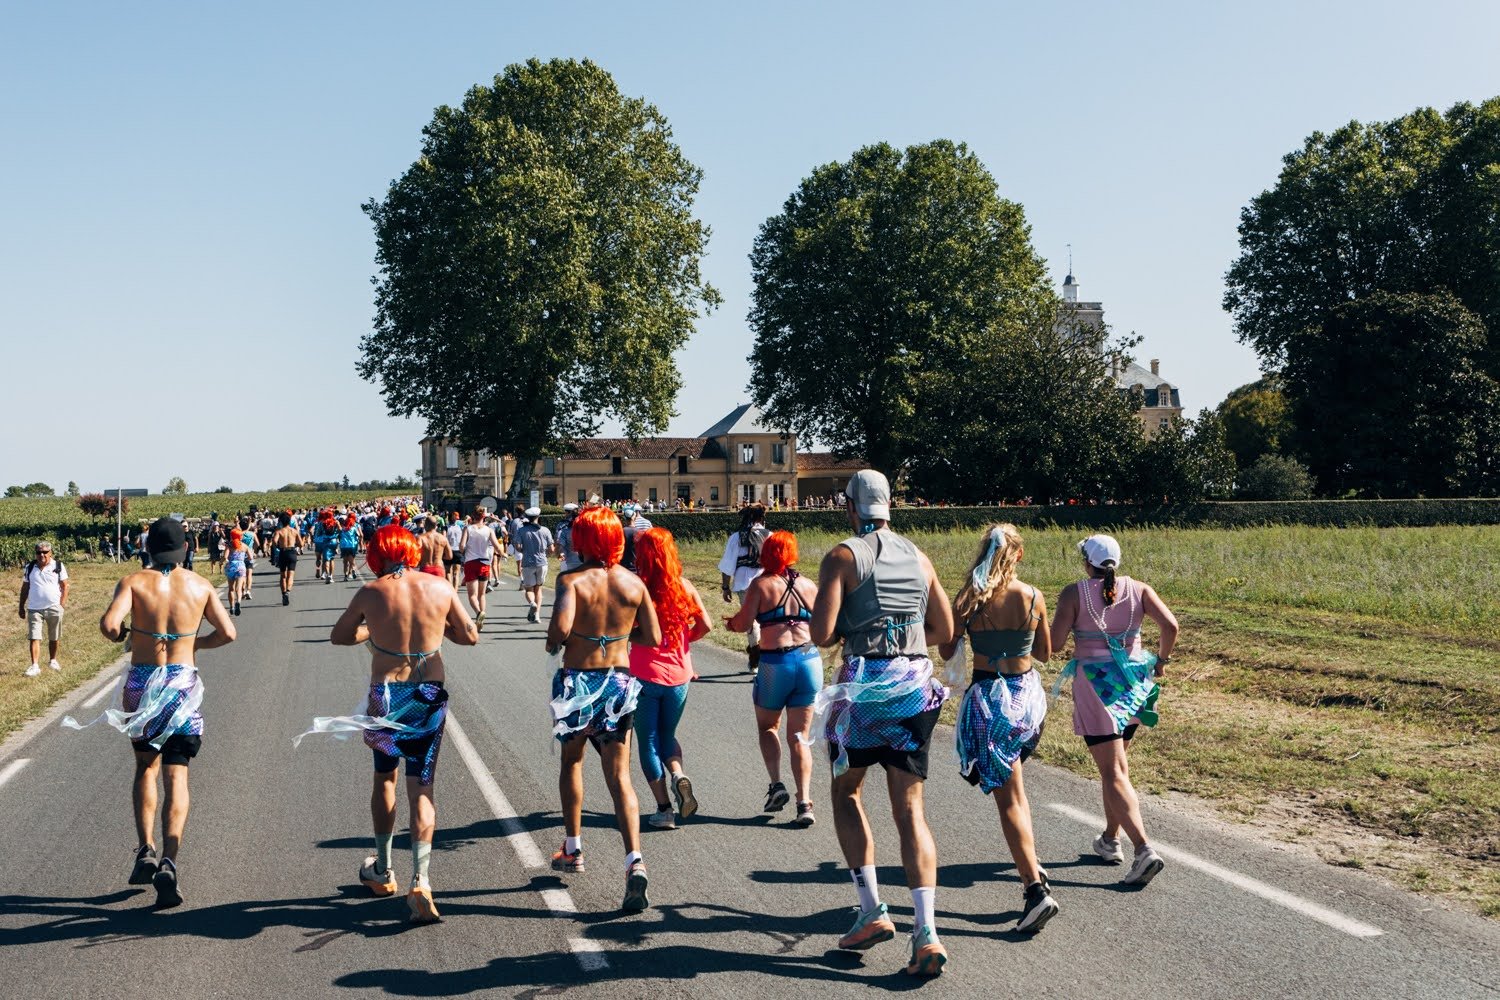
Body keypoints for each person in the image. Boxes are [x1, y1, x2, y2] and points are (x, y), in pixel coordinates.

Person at [809, 470, 954, 976]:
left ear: (851, 507)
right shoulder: (920, 556)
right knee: (910, 808)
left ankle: (871, 909)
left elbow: (824, 633)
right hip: (914, 686)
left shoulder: (842, 556)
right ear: (890, 506)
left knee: (846, 790)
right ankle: (928, 931)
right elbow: (944, 628)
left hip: (864, 687)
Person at [301, 525, 478, 923]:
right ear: (412, 550)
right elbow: (470, 636)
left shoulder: (372, 591)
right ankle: (422, 878)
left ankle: (382, 868)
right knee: (423, 787)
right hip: (428, 693)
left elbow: (339, 636)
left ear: (379, 553)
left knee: (385, 778)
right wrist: (439, 630)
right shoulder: (440, 588)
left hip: (387, 692)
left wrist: (373, 629)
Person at [63, 517, 236, 908]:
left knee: (146, 766)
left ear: (149, 548)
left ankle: (145, 848)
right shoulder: (199, 585)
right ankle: (171, 862)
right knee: (178, 774)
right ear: (185, 549)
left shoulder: (134, 581)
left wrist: (125, 634)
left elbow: (109, 625)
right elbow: (228, 633)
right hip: (182, 684)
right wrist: (193, 646)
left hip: (143, 682)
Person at [939, 524, 1056, 932]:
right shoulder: (1033, 596)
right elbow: (1045, 651)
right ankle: (1034, 869)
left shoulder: (969, 599)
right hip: (1025, 701)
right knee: (1018, 794)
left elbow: (947, 648)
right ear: (1018, 555)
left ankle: (1033, 890)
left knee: (1008, 800)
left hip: (989, 700)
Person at [544, 507, 661, 912]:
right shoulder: (634, 583)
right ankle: (635, 861)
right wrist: (620, 633)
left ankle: (573, 848)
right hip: (619, 681)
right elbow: (654, 635)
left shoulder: (572, 580)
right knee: (620, 776)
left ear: (583, 539)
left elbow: (559, 631)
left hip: (579, 681)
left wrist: (557, 641)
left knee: (572, 763)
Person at [1049, 534, 1179, 888]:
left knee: (1113, 771)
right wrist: (1162, 662)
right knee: (1117, 768)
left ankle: (1144, 850)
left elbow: (1055, 644)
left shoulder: (1073, 593)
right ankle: (1110, 839)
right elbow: (1171, 626)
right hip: (1135, 684)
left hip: (1096, 688)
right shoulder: (1140, 589)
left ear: (1085, 562)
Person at [727, 530, 820, 825]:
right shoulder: (809, 585)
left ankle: (776, 784)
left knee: (768, 727)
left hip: (774, 663)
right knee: (799, 737)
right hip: (809, 661)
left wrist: (731, 624)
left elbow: (744, 624)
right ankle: (804, 802)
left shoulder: (760, 585)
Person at [629, 528, 711, 830]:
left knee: (647, 741)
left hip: (644, 675)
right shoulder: (685, 586)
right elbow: (706, 624)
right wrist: (682, 642)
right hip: (679, 676)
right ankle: (677, 774)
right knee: (667, 735)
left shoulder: (637, 588)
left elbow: (627, 630)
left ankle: (664, 809)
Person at [718, 504, 769, 673]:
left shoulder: (736, 537)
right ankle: (767, 657)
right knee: (767, 621)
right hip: (767, 582)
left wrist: (726, 587)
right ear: (761, 518)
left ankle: (755, 659)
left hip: (744, 583)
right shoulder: (770, 535)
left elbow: (727, 566)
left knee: (751, 621)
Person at [19, 541, 69, 677]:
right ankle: (35, 665)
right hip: (34, 608)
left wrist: (61, 605)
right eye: (39, 552)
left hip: (54, 607)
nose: (42, 555)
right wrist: (21, 606)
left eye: (45, 552)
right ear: (35, 554)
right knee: (34, 637)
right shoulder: (30, 567)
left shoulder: (58, 566)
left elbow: (65, 586)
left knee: (54, 636)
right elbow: (25, 588)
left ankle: (52, 660)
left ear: (50, 553)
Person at [514, 507, 555, 624]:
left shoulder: (522, 530)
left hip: (528, 562)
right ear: (538, 517)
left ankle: (532, 603)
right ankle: (537, 615)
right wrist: (545, 553)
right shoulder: (545, 530)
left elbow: (517, 546)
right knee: (539, 588)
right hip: (542, 563)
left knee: (529, 589)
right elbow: (551, 549)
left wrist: (523, 550)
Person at [460, 506, 496, 630]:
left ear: (473, 516)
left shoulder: (468, 529)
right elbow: (496, 546)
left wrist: (464, 549)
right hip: (485, 562)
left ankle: (478, 613)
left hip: (471, 563)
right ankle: (482, 617)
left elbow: (462, 546)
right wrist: (503, 554)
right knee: (482, 594)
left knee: (472, 595)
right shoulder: (489, 530)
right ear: (483, 516)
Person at [271, 512, 301, 605]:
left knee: (283, 575)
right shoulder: (294, 531)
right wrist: (295, 544)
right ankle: (288, 592)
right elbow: (301, 544)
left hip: (283, 552)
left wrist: (278, 546)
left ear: (280, 521)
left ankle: (283, 593)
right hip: (292, 552)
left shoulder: (279, 532)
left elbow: (274, 542)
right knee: (291, 575)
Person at [618, 502, 653, 573]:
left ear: (624, 518)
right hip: (638, 567)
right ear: (634, 516)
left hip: (623, 568)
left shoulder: (621, 531)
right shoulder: (641, 531)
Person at [224, 529, 249, 616]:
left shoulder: (229, 545)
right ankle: (238, 601)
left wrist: (225, 560)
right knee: (239, 588)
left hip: (231, 566)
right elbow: (251, 557)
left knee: (231, 588)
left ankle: (232, 607)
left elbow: (225, 557)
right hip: (241, 567)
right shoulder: (244, 546)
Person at [555, 503, 581, 572]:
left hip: (567, 557)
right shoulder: (584, 524)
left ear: (569, 512)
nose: (565, 514)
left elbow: (558, 540)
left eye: (566, 512)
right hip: (584, 560)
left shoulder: (562, 525)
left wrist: (558, 553)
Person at [443, 511, 465, 588]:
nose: (456, 519)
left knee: (448, 571)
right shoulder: (461, 527)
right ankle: (455, 591)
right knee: (456, 573)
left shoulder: (445, 527)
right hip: (458, 551)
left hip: (448, 551)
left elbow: (444, 538)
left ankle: (450, 589)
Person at [340, 514, 362, 581]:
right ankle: (353, 570)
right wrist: (358, 540)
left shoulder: (342, 529)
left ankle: (345, 576)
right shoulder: (354, 528)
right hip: (352, 545)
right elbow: (360, 535)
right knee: (352, 561)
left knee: (345, 562)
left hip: (344, 546)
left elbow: (339, 536)